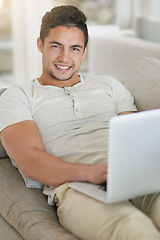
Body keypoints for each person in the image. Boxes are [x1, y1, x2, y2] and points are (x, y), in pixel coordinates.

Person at [0, 5, 160, 240]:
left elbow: (137, 139)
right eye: (56, 46)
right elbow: (30, 160)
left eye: (74, 48)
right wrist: (90, 173)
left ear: (84, 51)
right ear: (40, 45)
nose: (65, 58)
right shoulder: (17, 96)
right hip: (76, 188)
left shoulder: (109, 85)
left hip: (130, 178)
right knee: (133, 230)